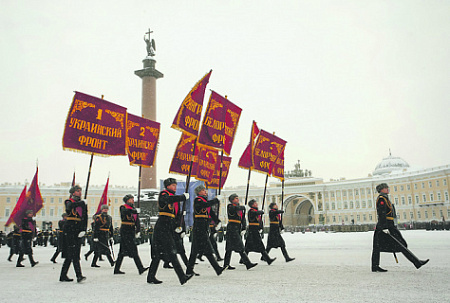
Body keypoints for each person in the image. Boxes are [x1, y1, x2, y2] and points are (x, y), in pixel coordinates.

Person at [371, 183, 429, 272]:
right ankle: (416, 262)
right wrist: (384, 227)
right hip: (385, 226)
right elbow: (381, 213)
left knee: (399, 244)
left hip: (389, 225)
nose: (387, 189)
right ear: (381, 190)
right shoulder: (381, 199)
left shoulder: (385, 198)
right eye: (386, 188)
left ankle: (416, 262)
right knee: (382, 246)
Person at [147, 178, 193, 285]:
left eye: (175, 185)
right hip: (162, 226)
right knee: (172, 251)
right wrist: (182, 197)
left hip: (168, 226)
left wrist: (179, 228)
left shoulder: (173, 199)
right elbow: (168, 200)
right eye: (172, 185)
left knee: (157, 255)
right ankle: (182, 277)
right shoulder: (164, 194)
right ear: (167, 186)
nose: (175, 187)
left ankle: (151, 276)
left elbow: (175, 216)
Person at [186, 185, 225, 276]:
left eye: (205, 190)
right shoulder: (198, 200)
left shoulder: (205, 201)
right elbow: (205, 205)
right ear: (199, 192)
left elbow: (211, 213)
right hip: (199, 227)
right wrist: (216, 200)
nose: (205, 191)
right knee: (207, 249)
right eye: (203, 190)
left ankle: (189, 270)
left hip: (203, 227)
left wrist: (217, 222)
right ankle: (217, 268)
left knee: (195, 251)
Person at [59, 185, 87, 283]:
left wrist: (84, 229)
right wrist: (81, 203)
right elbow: (69, 208)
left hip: (77, 229)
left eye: (80, 191)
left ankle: (63, 275)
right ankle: (79, 276)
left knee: (72, 254)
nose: (80, 192)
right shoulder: (69, 201)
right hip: (70, 228)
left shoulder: (82, 204)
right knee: (73, 253)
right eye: (78, 191)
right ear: (73, 192)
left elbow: (84, 217)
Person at [114, 195, 148, 275]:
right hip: (125, 230)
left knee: (122, 252)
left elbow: (137, 221)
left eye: (133, 199)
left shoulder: (134, 209)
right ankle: (140, 268)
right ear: (127, 200)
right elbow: (125, 212)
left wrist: (138, 230)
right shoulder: (123, 207)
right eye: (131, 199)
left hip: (131, 230)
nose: (133, 201)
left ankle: (116, 269)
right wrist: (134, 211)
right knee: (134, 249)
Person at [223, 194, 257, 270]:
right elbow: (234, 208)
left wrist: (244, 227)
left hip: (237, 227)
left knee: (230, 248)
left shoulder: (240, 208)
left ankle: (226, 264)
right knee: (240, 246)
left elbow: (243, 219)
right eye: (236, 198)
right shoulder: (230, 206)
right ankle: (247, 263)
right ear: (232, 200)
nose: (238, 199)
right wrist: (243, 207)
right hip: (232, 228)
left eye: (238, 198)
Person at [245, 199, 276, 265]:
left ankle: (243, 259)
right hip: (252, 230)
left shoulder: (255, 211)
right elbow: (255, 213)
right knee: (260, 245)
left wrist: (260, 227)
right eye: (255, 203)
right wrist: (260, 212)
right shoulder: (251, 211)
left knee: (248, 246)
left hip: (255, 229)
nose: (257, 204)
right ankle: (268, 259)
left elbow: (259, 221)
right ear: (252, 205)